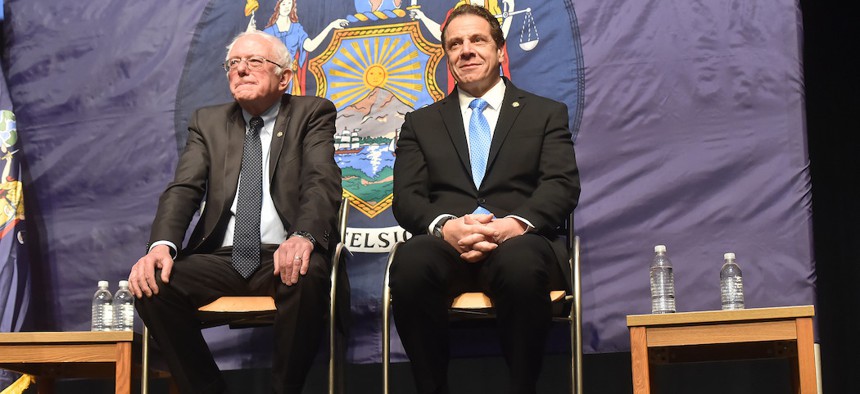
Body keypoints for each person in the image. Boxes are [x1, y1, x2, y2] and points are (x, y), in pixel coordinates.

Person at [127, 30, 342, 394]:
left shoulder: (312, 113)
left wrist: (303, 236)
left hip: (282, 252)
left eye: (254, 62)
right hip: (221, 258)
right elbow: (184, 189)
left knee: (305, 274)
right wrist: (160, 246)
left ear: (284, 77)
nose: (241, 70)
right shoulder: (208, 122)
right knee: (152, 287)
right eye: (233, 64)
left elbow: (321, 182)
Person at [389, 4, 580, 394]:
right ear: (447, 57)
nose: (466, 50)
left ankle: (523, 387)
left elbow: (561, 185)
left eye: (477, 40)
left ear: (500, 51)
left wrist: (512, 225)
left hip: (519, 241)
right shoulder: (420, 123)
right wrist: (447, 227)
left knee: (521, 261)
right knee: (409, 263)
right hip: (448, 247)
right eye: (455, 44)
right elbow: (407, 198)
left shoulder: (544, 114)